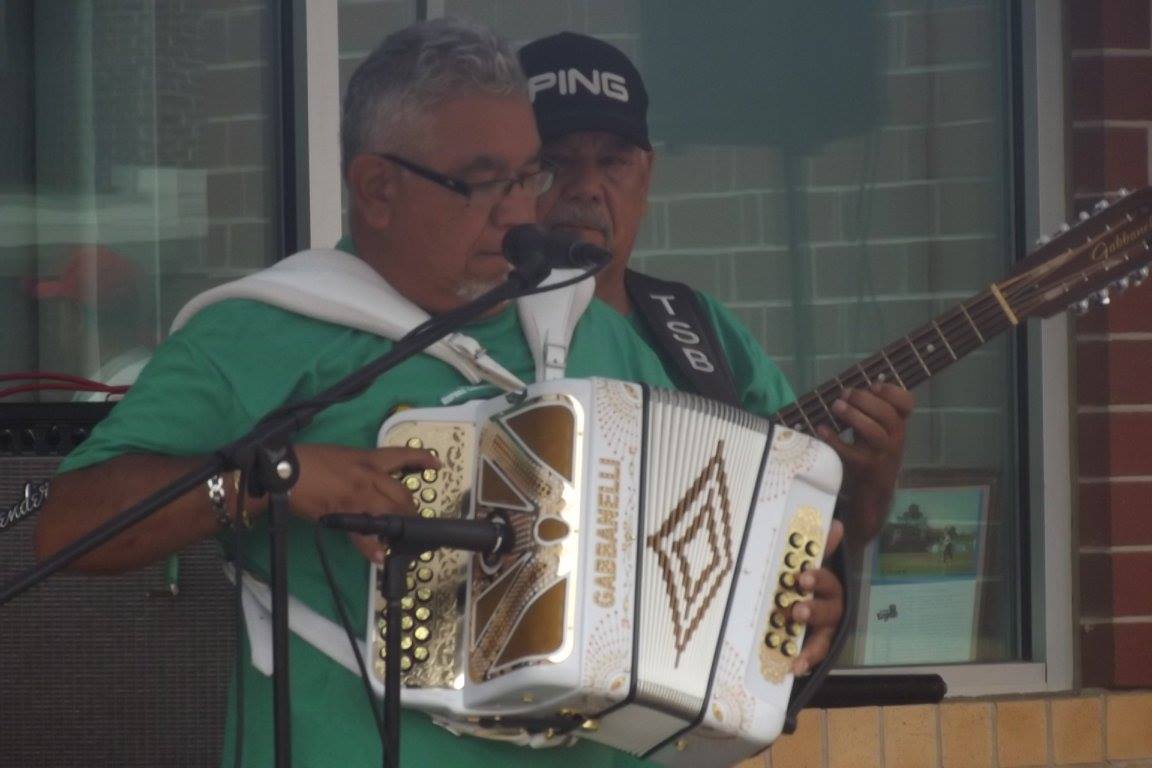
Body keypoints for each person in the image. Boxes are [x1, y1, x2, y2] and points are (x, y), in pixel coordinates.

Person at [35, 19, 680, 768]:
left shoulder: (593, 332)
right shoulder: (264, 333)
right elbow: (68, 528)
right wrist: (271, 476)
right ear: (377, 188)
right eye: (483, 182)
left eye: (527, 176)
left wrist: (788, 605)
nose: (519, 213)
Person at [521, 32, 915, 672]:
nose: (587, 187)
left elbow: (807, 536)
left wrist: (869, 489)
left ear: (646, 174)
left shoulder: (699, 328)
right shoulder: (482, 330)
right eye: (555, 162)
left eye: (613, 161)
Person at [29, 244, 153, 400]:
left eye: (57, 317)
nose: (51, 329)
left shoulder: (103, 396)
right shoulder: (153, 374)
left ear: (76, 319)